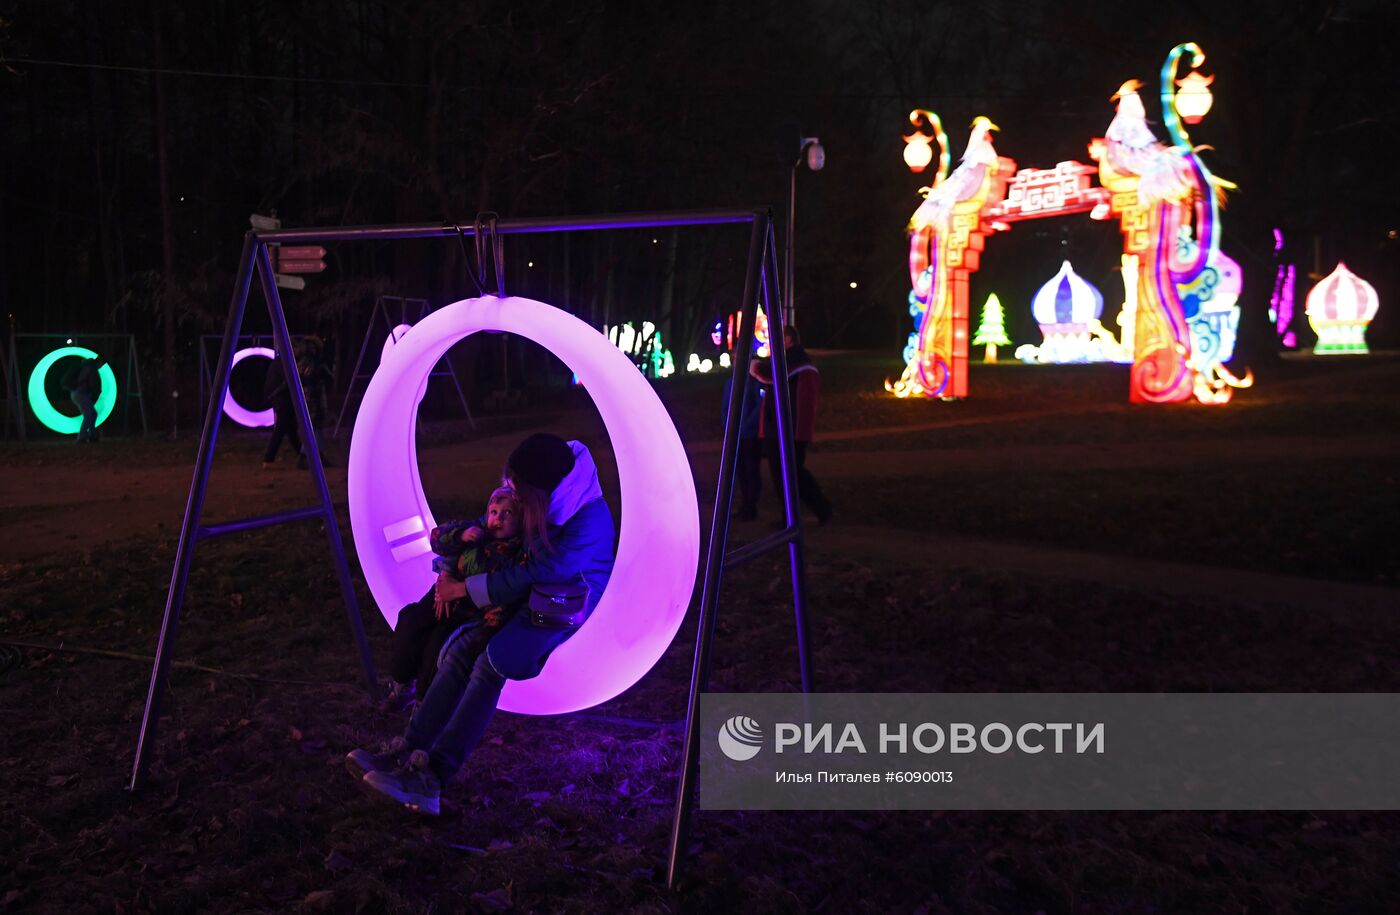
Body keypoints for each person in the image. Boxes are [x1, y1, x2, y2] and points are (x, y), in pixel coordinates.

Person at [347, 433, 615, 815]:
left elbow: (540, 570)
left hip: (565, 600)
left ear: (539, 495)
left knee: (492, 660)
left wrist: (467, 588)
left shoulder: (587, 519)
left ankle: (433, 777)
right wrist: (448, 569)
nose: (513, 498)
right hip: (529, 588)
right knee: (459, 651)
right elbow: (487, 531)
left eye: (519, 493)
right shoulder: (541, 492)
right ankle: (410, 748)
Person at [382, 485, 527, 709]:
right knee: (411, 622)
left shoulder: (515, 552)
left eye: (508, 513)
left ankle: (423, 703)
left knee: (437, 645)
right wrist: (461, 536)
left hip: (469, 608)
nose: (498, 518)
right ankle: (400, 682)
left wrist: (488, 627)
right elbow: (438, 538)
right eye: (494, 512)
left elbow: (504, 592)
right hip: (441, 594)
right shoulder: (475, 531)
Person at [749, 324, 833, 526]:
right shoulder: (797, 361)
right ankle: (812, 511)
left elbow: (770, 374)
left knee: (787, 475)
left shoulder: (795, 361)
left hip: (786, 430)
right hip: (787, 429)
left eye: (778, 338)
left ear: (788, 340)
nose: (772, 343)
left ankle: (798, 515)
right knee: (792, 474)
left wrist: (753, 365)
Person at [261, 337, 331, 469]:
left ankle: (303, 455)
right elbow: (290, 381)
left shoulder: (283, 361)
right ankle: (270, 459)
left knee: (289, 429)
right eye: (297, 348)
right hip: (283, 400)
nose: (299, 351)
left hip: (282, 399)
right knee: (282, 428)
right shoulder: (286, 362)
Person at [721, 371, 763, 521]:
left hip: (749, 435)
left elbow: (760, 406)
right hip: (735, 435)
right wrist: (728, 426)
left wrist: (746, 425)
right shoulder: (730, 383)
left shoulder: (754, 382)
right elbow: (725, 406)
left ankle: (751, 505)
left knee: (751, 470)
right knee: (741, 471)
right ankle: (745, 504)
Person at [63, 355, 105, 444]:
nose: (102, 366)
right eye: (102, 364)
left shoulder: (86, 367)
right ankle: (81, 438)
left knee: (92, 414)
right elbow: (94, 383)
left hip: (77, 393)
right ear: (99, 362)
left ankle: (92, 436)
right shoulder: (92, 369)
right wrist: (97, 391)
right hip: (81, 394)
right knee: (89, 415)